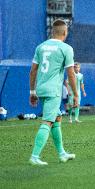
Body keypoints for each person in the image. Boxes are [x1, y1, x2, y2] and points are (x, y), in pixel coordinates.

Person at [29, 19, 78, 165]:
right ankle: (35, 156)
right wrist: (75, 94)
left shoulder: (41, 47)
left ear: (52, 31)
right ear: (65, 32)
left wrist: (32, 91)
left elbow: (33, 71)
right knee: (47, 122)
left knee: (57, 119)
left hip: (41, 89)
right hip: (53, 91)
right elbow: (71, 74)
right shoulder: (66, 48)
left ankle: (62, 153)